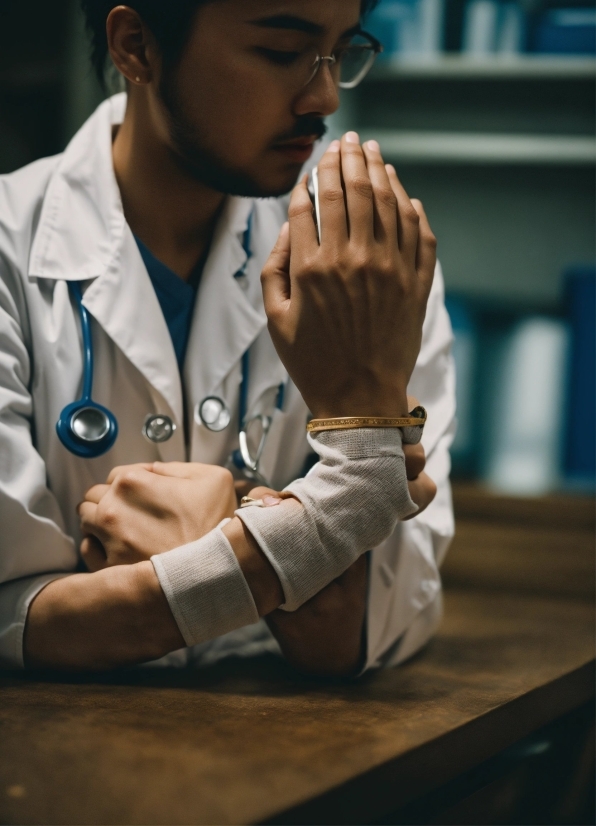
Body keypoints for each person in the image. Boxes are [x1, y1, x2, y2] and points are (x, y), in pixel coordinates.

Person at [0, 0, 455, 675]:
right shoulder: (11, 245)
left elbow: (365, 627)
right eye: (280, 53)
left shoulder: (365, 258)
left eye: (341, 51)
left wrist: (225, 522)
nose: (324, 93)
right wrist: (339, 499)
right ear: (137, 47)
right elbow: (18, 624)